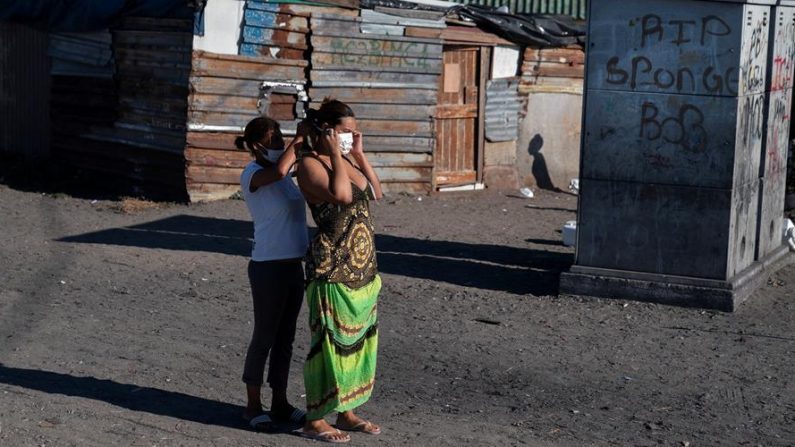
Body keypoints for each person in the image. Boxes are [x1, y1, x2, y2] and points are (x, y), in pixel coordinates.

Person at [295, 99, 384, 443]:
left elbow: (375, 192)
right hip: (331, 267)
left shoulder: (347, 159)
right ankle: (315, 418)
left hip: (361, 269)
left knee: (358, 344)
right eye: (345, 132)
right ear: (327, 131)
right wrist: (334, 154)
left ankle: (345, 411)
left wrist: (357, 155)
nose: (350, 137)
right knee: (330, 344)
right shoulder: (309, 165)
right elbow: (343, 195)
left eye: (352, 132)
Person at [235, 117, 309, 431]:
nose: (280, 143)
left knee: (286, 339)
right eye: (274, 138)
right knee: (264, 336)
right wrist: (299, 141)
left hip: (293, 265)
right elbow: (279, 170)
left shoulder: (285, 178)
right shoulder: (252, 174)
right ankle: (253, 406)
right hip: (267, 266)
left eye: (281, 136)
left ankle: (280, 400)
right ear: (256, 145)